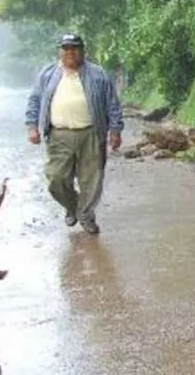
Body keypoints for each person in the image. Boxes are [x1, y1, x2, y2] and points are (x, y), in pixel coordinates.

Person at [25, 34, 124, 234]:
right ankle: (72, 206)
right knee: (56, 178)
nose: (70, 52)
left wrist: (115, 130)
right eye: (66, 48)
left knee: (92, 180)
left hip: (91, 133)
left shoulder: (98, 74)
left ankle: (86, 215)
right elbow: (35, 100)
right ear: (60, 51)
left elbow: (112, 103)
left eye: (74, 48)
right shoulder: (47, 74)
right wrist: (31, 126)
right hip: (58, 135)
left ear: (82, 51)